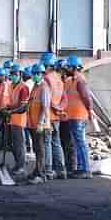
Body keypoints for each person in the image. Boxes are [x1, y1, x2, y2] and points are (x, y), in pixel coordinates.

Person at [64, 55, 93, 179]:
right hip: (73, 116)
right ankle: (81, 168)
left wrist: (90, 110)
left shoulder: (80, 80)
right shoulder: (73, 80)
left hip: (79, 116)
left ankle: (86, 169)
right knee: (77, 143)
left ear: (74, 67)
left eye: (69, 66)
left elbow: (87, 97)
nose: (67, 69)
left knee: (80, 143)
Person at [41, 52, 67, 180]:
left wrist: (49, 113)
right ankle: (61, 170)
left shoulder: (46, 79)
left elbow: (46, 99)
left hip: (49, 116)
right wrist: (59, 109)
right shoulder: (59, 79)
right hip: (57, 116)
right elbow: (64, 98)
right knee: (57, 143)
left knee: (47, 143)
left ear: (46, 66)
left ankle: (49, 169)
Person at [1, 64, 29, 175]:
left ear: (20, 74)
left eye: (15, 74)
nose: (13, 76)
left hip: (19, 120)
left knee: (19, 144)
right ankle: (18, 164)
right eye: (12, 74)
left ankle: (21, 166)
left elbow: (23, 107)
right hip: (11, 119)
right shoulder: (11, 86)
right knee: (13, 144)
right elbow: (12, 102)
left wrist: (11, 111)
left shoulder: (24, 88)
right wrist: (6, 107)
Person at [27, 63, 51, 185]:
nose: (35, 75)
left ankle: (41, 174)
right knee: (37, 149)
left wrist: (41, 123)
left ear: (42, 74)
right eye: (34, 74)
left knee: (40, 150)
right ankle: (37, 171)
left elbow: (45, 106)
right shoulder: (35, 87)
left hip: (40, 125)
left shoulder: (44, 88)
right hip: (33, 124)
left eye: (38, 74)